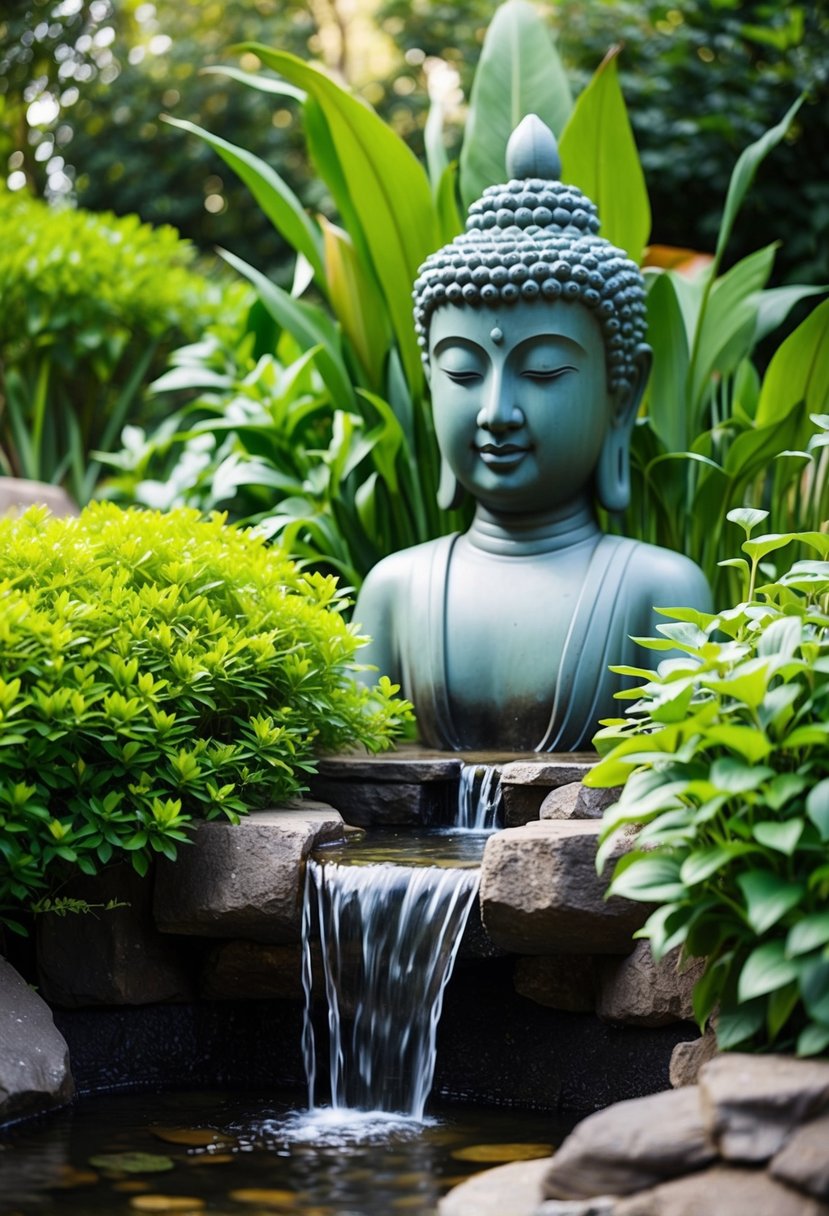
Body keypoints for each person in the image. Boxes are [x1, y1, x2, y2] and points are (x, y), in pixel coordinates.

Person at [354, 115, 711, 751]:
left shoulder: (659, 590)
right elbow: (347, 769)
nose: (496, 411)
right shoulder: (394, 590)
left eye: (543, 371)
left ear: (622, 395)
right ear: (431, 385)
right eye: (463, 373)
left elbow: (691, 770)